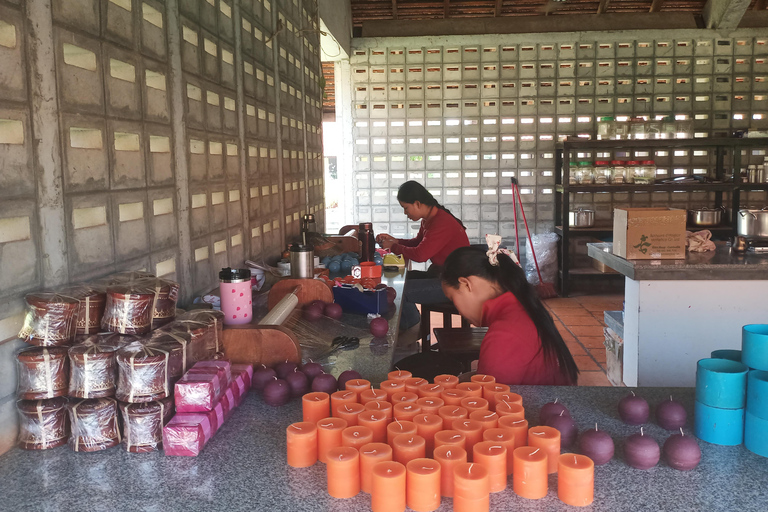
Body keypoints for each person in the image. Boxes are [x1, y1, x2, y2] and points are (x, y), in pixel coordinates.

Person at [440, 240, 579, 386]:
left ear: (466, 284)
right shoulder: (521, 306)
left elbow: (493, 399)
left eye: (452, 298)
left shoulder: (505, 334)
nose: (457, 309)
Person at [377, 181, 470, 331]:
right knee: (398, 281)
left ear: (418, 203)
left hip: (455, 283)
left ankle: (412, 329)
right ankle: (408, 327)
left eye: (406, 208)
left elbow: (421, 255)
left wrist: (394, 247)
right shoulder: (429, 219)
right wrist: (395, 241)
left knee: (402, 293)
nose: (405, 213)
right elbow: (417, 242)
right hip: (441, 274)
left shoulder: (442, 222)